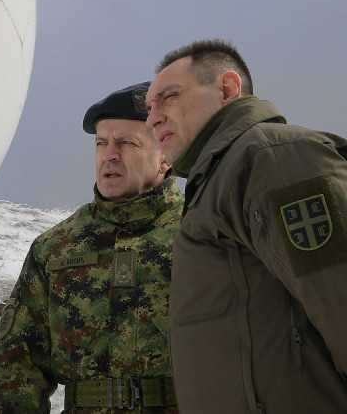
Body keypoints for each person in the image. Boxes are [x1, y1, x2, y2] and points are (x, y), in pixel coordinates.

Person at [145, 39, 347, 412]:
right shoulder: (218, 179)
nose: (152, 118)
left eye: (168, 97)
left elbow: (339, 293)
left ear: (227, 89)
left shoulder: (271, 158)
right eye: (149, 108)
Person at [0, 82, 181, 413]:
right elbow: (19, 366)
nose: (110, 154)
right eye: (102, 143)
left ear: (165, 157)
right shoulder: (55, 248)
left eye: (127, 143)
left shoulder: (202, 234)